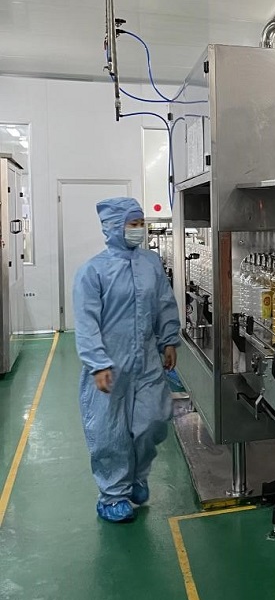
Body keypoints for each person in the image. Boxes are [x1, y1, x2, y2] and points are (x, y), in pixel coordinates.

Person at [73, 197, 180, 523]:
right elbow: (87, 322)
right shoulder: (93, 271)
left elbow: (164, 302)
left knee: (153, 420)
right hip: (110, 364)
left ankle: (136, 476)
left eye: (141, 223)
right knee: (110, 432)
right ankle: (112, 495)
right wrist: (98, 363)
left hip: (147, 360)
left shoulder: (150, 263)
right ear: (112, 227)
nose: (139, 229)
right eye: (132, 224)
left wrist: (169, 339)